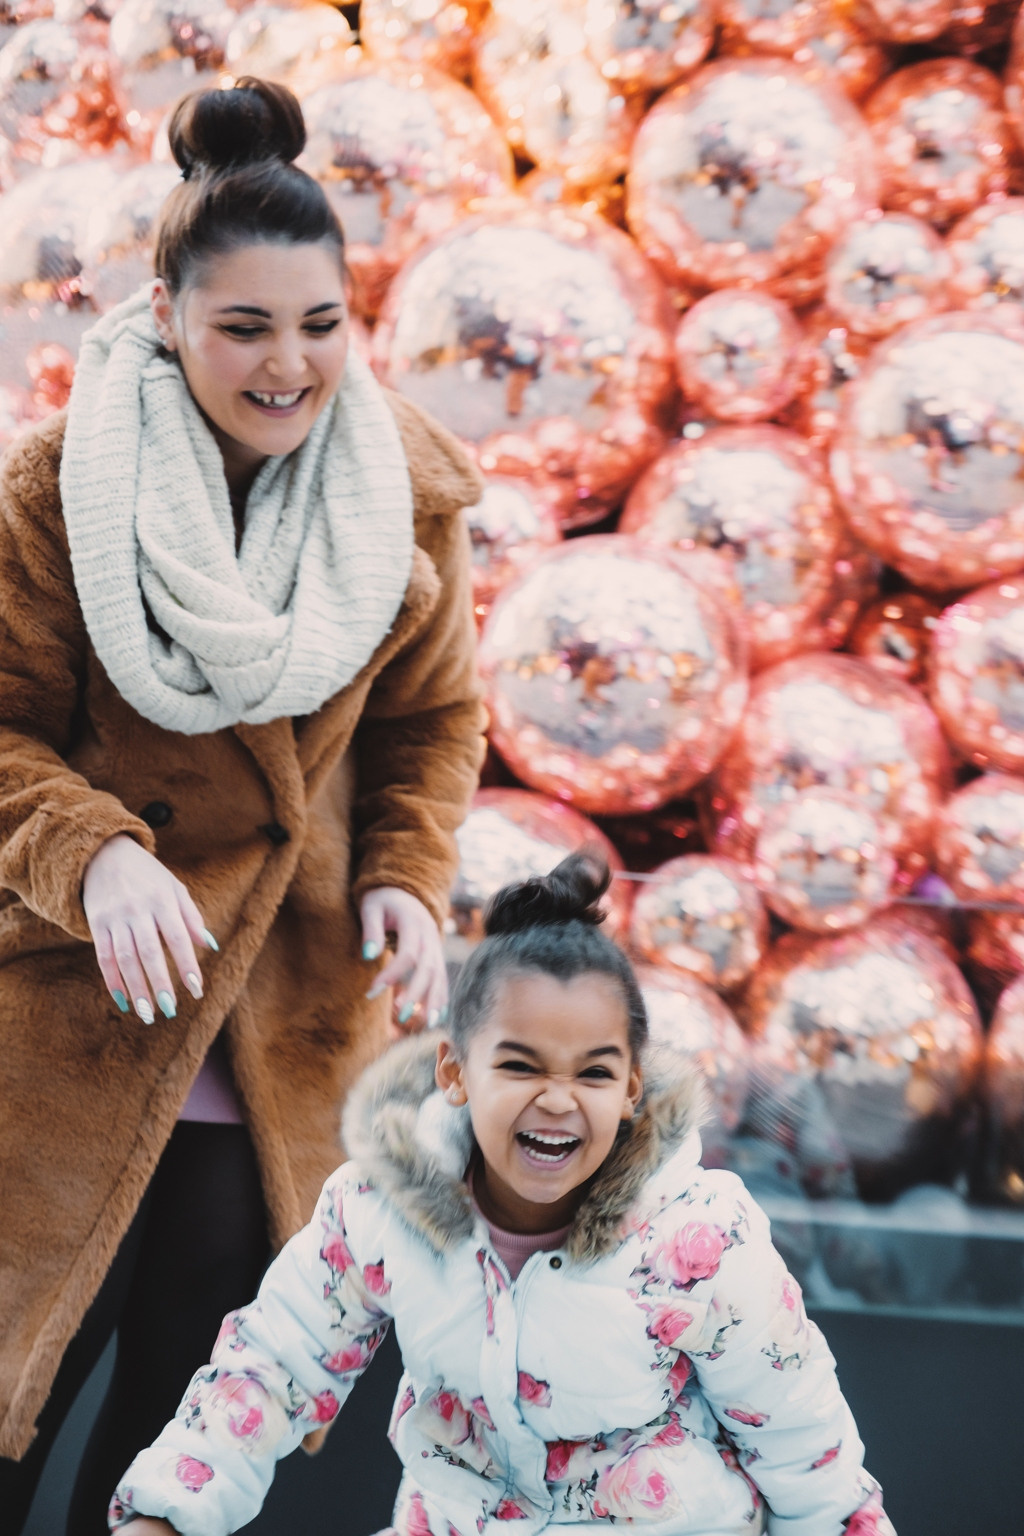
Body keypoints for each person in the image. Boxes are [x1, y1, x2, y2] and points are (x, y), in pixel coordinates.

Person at [0, 76, 484, 1532]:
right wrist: (95, 858)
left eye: (322, 325)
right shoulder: (55, 487)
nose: (290, 366)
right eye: (245, 327)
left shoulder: (406, 499)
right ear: (166, 314)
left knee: (171, 1476)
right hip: (66, 1039)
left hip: (278, 1034)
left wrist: (403, 867)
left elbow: (434, 719)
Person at [109, 852, 896, 1536]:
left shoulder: (698, 1241)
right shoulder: (381, 1209)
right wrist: (168, 1510)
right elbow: (274, 1365)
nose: (557, 1100)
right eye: (519, 1066)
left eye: (592, 1073)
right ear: (453, 1071)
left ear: (629, 1087)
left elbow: (806, 1448)